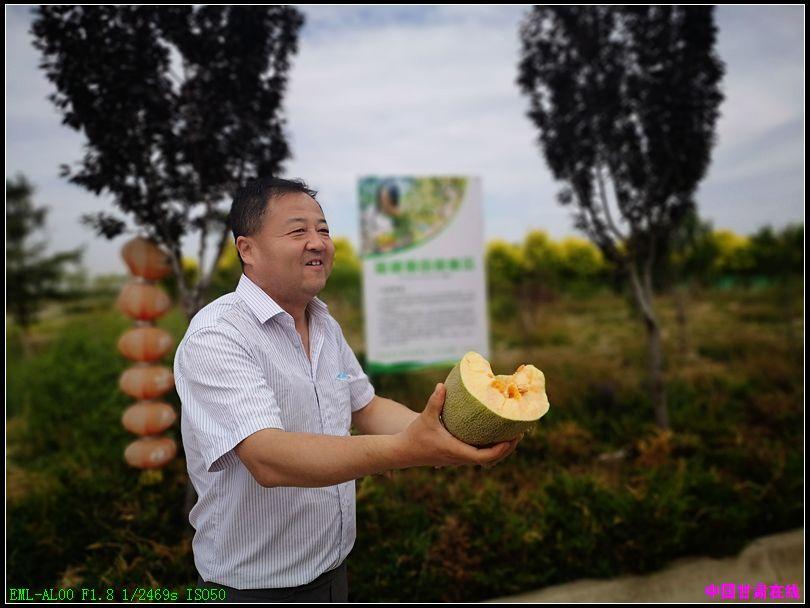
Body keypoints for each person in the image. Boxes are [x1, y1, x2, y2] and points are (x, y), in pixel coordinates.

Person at [174, 177, 523, 602]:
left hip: (334, 573)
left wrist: (453, 436)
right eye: (297, 230)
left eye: (323, 230)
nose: (317, 242)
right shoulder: (217, 334)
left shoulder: (322, 322)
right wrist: (411, 449)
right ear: (247, 249)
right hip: (251, 590)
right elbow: (269, 459)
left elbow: (366, 406)